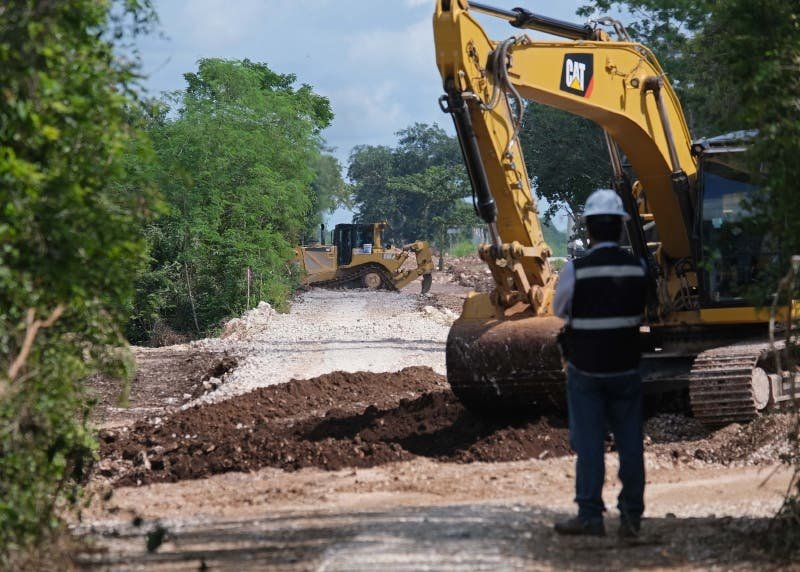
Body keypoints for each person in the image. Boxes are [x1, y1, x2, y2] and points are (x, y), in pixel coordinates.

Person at [552, 189, 648, 538]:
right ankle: (631, 518)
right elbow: (643, 310)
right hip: (626, 368)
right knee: (631, 444)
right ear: (621, 228)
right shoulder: (638, 268)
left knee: (589, 443)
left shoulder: (574, 270)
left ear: (588, 228)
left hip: (586, 371)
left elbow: (559, 310)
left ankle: (591, 516)